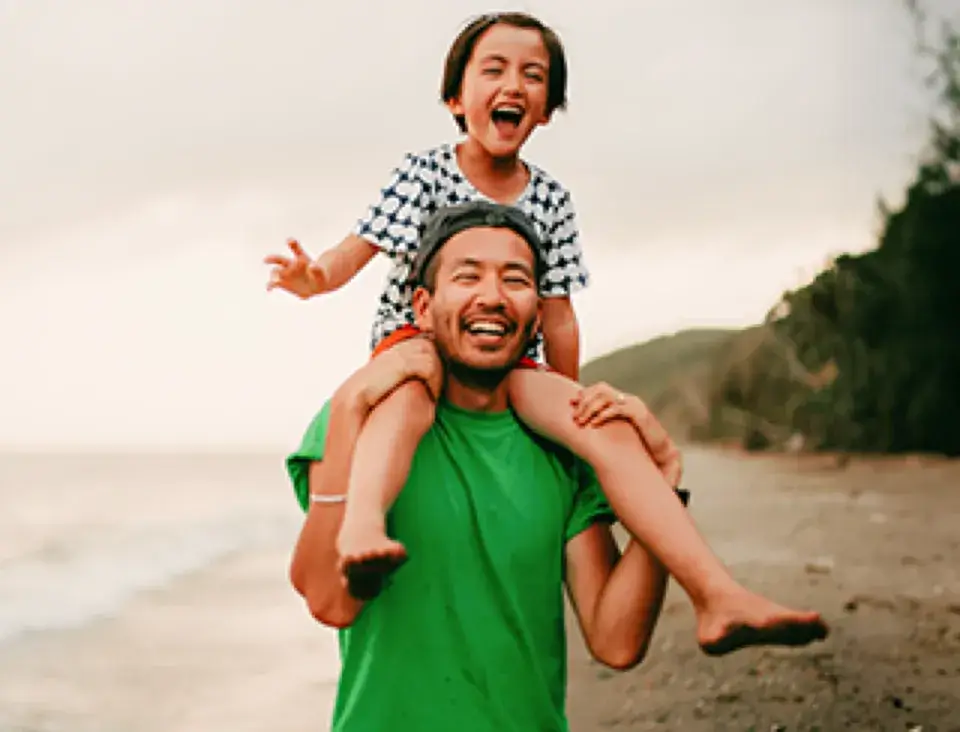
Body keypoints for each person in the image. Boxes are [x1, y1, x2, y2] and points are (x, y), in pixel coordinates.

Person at [267, 16, 828, 656]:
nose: (513, 83)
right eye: (494, 69)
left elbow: (557, 315)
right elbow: (356, 248)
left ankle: (717, 595)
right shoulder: (421, 172)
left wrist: (573, 403)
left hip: (517, 359)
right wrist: (316, 278)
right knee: (408, 394)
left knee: (604, 429)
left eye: (532, 75)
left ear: (546, 110)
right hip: (412, 342)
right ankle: (363, 525)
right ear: (456, 98)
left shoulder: (552, 200)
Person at [286, 205, 676, 731]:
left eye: (514, 279)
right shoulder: (360, 421)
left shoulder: (561, 447)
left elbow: (616, 639)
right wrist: (351, 408)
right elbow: (330, 603)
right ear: (422, 307)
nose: (491, 296)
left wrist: (663, 485)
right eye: (467, 275)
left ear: (535, 314)